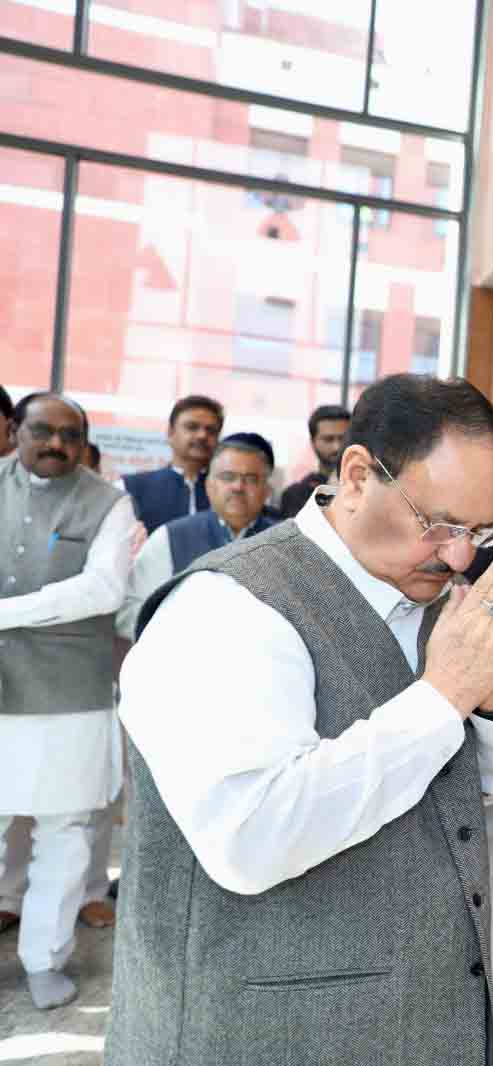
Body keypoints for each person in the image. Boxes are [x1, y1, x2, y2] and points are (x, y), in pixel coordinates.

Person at [108, 375, 493, 1065]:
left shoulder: (441, 597)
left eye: (480, 531)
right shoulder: (226, 609)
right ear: (355, 476)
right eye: (440, 524)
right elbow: (252, 836)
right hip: (266, 1034)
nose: (460, 555)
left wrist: (492, 692)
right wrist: (442, 696)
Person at [0, 392, 137, 1009]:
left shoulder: (109, 502)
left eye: (69, 435)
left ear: (83, 442)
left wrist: (6, 614)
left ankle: (44, 962)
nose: (55, 443)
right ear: (17, 430)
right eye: (42, 431)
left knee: (67, 832)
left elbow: (104, 588)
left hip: (70, 697)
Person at [116, 433, 279, 639]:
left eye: (251, 479)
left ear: (267, 491)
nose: (238, 487)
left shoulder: (284, 545)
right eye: (228, 477)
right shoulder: (171, 538)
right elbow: (129, 610)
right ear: (209, 486)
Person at [118, 395, 223, 531]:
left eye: (211, 430)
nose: (202, 435)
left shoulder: (230, 489)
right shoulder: (131, 488)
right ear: (170, 432)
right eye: (192, 427)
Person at [279, 403, 350, 517]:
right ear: (313, 442)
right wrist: (330, 492)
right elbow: (300, 532)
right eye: (328, 439)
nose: (337, 446)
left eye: (343, 438)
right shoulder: (295, 494)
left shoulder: (368, 487)